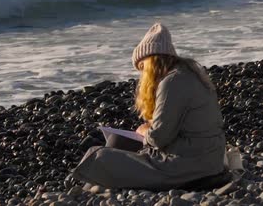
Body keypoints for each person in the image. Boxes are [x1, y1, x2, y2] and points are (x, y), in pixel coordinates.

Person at [71, 23, 227, 190]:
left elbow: (159, 138)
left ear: (151, 62)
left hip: (188, 166)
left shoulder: (172, 82)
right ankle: (92, 187)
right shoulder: (189, 74)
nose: (142, 75)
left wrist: (144, 131)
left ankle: (85, 191)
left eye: (142, 67)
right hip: (209, 161)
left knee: (99, 156)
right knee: (117, 142)